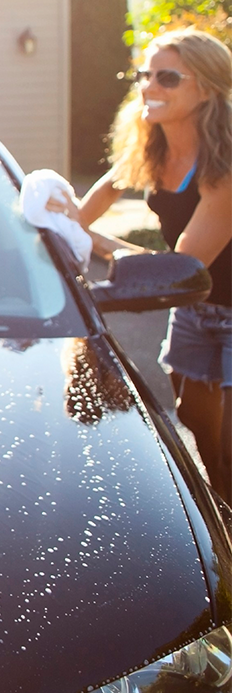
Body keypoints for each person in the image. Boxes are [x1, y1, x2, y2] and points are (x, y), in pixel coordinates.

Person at [64, 28, 232, 495]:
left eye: (168, 77)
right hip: (196, 310)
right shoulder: (151, 149)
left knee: (230, 448)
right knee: (202, 432)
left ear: (206, 87)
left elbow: (179, 270)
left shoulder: (225, 162)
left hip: (208, 294)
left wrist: (87, 236)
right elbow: (90, 203)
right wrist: (59, 218)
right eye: (144, 74)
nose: (149, 86)